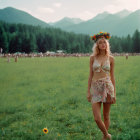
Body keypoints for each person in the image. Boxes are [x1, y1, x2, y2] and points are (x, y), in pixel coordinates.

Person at [87, 32, 116, 140]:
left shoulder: (111, 59)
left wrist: (114, 94)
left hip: (108, 88)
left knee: (106, 115)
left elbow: (112, 77)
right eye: (100, 42)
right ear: (97, 45)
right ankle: (107, 135)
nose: (103, 44)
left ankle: (104, 137)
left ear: (107, 44)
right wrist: (88, 91)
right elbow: (90, 75)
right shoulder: (92, 58)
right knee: (97, 118)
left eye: (104, 42)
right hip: (95, 88)